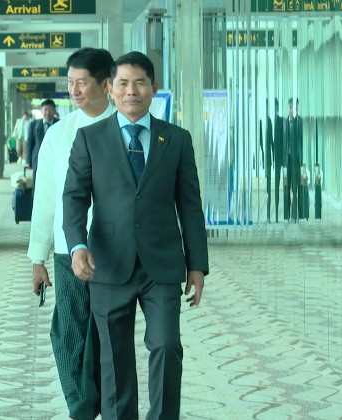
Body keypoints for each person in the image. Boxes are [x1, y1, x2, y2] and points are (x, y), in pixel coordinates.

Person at [62, 51, 209, 420]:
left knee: (167, 346)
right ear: (110, 89)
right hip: (108, 265)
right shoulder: (89, 139)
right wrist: (77, 246)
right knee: (114, 359)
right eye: (123, 83)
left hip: (162, 265)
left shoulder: (176, 139)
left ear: (153, 88)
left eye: (140, 83)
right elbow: (74, 197)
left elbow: (190, 206)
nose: (132, 91)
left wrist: (197, 265)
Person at [27, 47, 116, 420]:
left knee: (105, 334)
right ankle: (81, 407)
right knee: (69, 331)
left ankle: (105, 404)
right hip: (68, 251)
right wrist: (38, 257)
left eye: (82, 82)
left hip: (115, 252)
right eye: (70, 82)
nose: (74, 91)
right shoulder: (58, 134)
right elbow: (46, 198)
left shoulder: (126, 128)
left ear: (106, 84)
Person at [26, 99, 59, 174]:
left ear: (54, 110)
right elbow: (30, 144)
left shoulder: (60, 124)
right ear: (41, 111)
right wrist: (28, 160)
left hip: (55, 160)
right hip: (38, 159)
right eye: (45, 110)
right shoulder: (34, 124)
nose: (47, 112)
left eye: (50, 110)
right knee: (37, 180)